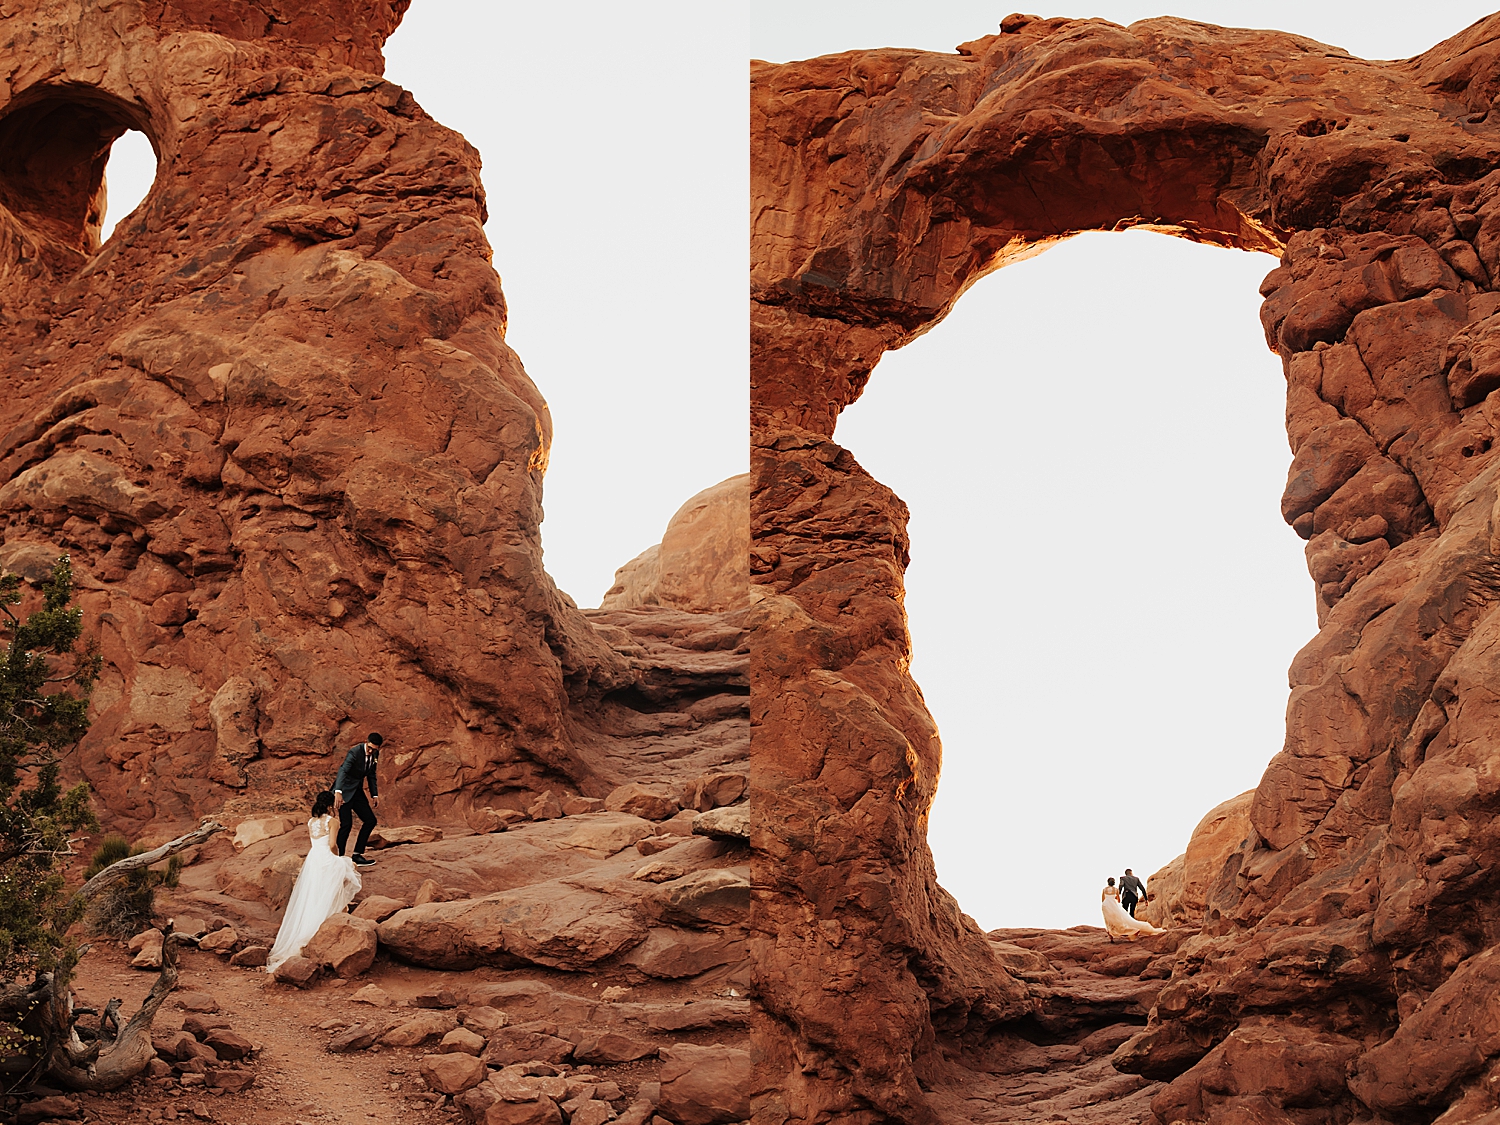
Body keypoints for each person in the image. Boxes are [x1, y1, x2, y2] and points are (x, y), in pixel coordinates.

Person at [265, 791, 361, 973]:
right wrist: (337, 857)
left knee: (314, 891)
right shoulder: (333, 821)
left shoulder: (311, 822)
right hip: (325, 856)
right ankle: (330, 918)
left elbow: (316, 842)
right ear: (330, 805)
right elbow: (333, 844)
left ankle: (315, 922)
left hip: (313, 858)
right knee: (346, 868)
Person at [333, 732, 383, 867]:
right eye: (370, 748)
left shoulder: (375, 755)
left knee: (370, 820)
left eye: (374, 749)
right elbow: (343, 770)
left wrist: (375, 794)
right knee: (346, 825)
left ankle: (357, 854)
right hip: (344, 792)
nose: (371, 751)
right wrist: (338, 791)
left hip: (357, 792)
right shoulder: (354, 752)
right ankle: (339, 857)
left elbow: (371, 774)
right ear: (365, 742)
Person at [1102, 876, 1165, 941]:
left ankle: (1111, 935)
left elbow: (1103, 899)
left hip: (1106, 905)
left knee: (1108, 920)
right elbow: (1118, 899)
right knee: (1120, 919)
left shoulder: (1104, 890)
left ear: (1108, 882)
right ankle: (1132, 930)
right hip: (1114, 905)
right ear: (1114, 883)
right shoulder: (1115, 890)